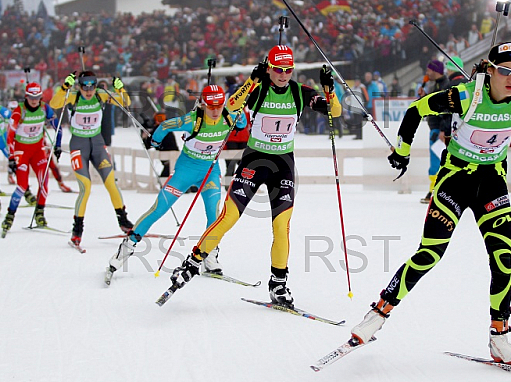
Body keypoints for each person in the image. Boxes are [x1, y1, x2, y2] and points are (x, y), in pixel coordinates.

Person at [350, 43, 511, 366]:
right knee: (430, 254)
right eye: (504, 71)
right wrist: (403, 150)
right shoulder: (466, 95)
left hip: (491, 182)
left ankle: (499, 336)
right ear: (490, 71)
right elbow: (416, 110)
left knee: (503, 259)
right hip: (456, 181)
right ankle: (377, 314)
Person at [167, 46, 342, 307]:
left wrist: (329, 89)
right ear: (269, 68)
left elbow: (334, 112)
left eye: (288, 70)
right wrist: (252, 81)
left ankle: (278, 284)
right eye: (278, 69)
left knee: (282, 226)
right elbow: (231, 106)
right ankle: (192, 262)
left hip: (282, 164)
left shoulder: (298, 92)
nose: (283, 75)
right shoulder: (259, 89)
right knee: (229, 217)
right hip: (254, 160)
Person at [105, 84, 247, 286]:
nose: (215, 110)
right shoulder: (192, 120)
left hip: (210, 173)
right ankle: (124, 250)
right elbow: (164, 126)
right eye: (211, 106)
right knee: (158, 209)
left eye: (219, 105)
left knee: (213, 215)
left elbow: (240, 126)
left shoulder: (228, 116)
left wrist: (241, 123)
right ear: (203, 104)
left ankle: (210, 255)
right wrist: (155, 141)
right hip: (185, 172)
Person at [49, 72, 133, 247]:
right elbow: (54, 104)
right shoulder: (74, 96)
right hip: (79, 146)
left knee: (111, 183)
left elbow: (126, 102)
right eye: (85, 87)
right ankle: (77, 229)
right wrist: (65, 87)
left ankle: (123, 221)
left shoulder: (101, 95)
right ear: (79, 86)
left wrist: (120, 88)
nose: (88, 91)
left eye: (92, 87)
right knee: (85, 187)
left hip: (97, 144)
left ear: (96, 86)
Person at [1, 82, 62, 237]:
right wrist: (11, 158)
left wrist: (58, 143)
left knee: (44, 182)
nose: (34, 100)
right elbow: (9, 136)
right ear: (26, 96)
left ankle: (40, 213)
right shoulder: (19, 111)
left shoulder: (44, 108)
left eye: (37, 97)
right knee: (22, 186)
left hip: (37, 151)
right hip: (22, 151)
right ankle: (9, 216)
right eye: (31, 97)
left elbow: (58, 126)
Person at [417, 59, 450, 203]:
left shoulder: (444, 85)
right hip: (435, 127)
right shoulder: (435, 85)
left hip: (439, 129)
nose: (426, 73)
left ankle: (434, 191)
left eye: (428, 70)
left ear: (435, 70)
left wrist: (443, 129)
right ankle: (435, 189)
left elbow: (445, 109)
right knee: (435, 161)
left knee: (437, 162)